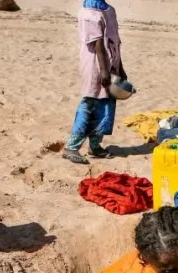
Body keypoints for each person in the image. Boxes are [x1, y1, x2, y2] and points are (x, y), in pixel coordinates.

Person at [63, 0, 126, 165]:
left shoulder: (110, 10)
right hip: (94, 65)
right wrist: (103, 69)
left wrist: (120, 67)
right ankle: (72, 146)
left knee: (105, 103)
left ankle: (95, 145)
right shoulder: (87, 13)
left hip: (111, 64)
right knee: (90, 102)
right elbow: (97, 43)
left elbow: (115, 42)